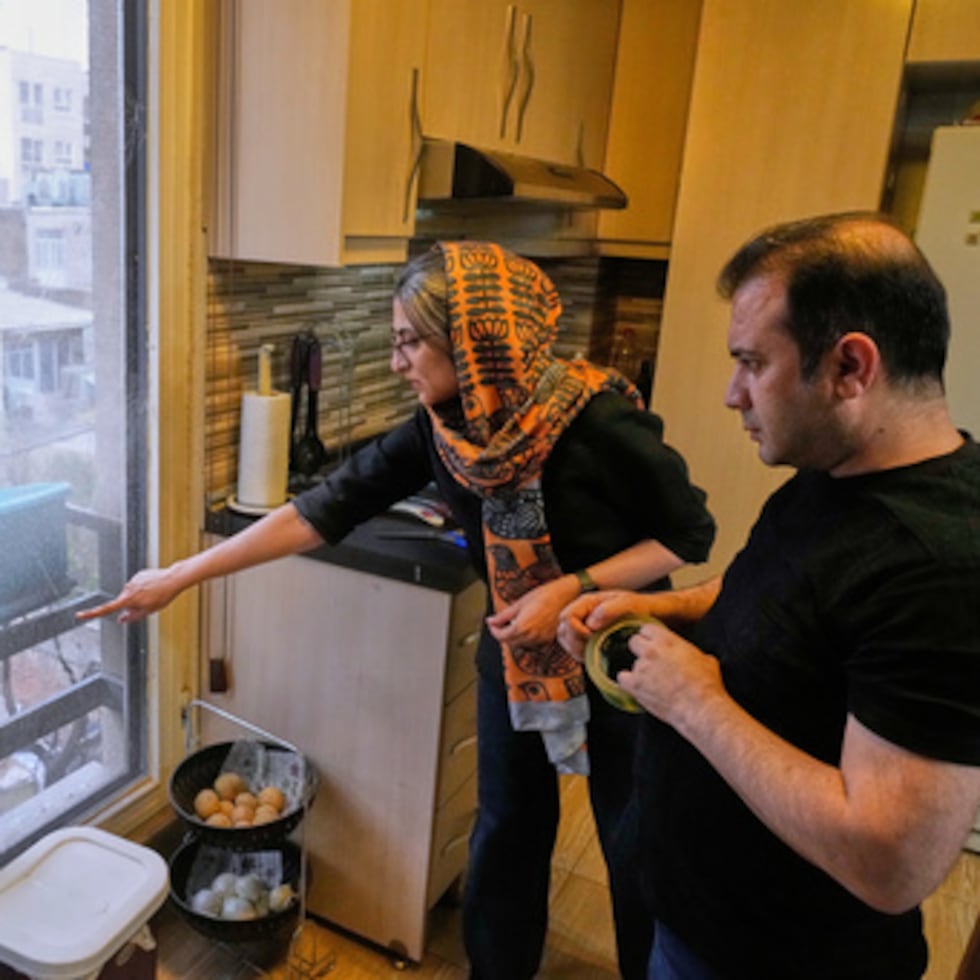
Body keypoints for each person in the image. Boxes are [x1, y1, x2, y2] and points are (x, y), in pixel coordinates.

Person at [80, 241, 716, 979]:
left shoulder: (596, 420)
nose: (396, 362)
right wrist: (181, 575)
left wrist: (571, 589)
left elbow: (688, 534)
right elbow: (324, 508)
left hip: (620, 655)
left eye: (411, 342)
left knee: (634, 836)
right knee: (508, 828)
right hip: (517, 650)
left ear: (473, 341)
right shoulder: (445, 429)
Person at [557, 211, 980, 980]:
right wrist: (664, 606)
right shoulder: (836, 471)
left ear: (850, 366)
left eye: (752, 363)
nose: (733, 394)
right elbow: (776, 590)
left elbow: (890, 863)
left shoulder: (941, 570)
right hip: (698, 921)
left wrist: (693, 702)